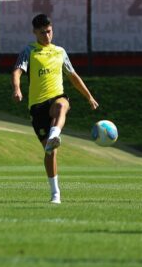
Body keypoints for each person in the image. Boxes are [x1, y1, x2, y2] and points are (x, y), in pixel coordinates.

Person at [11, 13, 99, 204]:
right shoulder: (29, 51)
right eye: (42, 32)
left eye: (49, 31)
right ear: (34, 32)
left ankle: (55, 133)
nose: (47, 36)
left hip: (56, 97)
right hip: (37, 107)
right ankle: (55, 193)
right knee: (50, 153)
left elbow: (73, 76)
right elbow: (17, 71)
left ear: (53, 30)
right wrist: (17, 89)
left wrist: (89, 96)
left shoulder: (60, 52)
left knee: (62, 104)